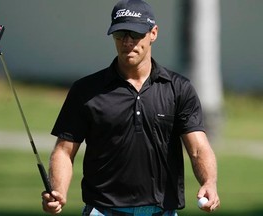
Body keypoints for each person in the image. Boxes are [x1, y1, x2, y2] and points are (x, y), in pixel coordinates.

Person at [41, 0, 220, 215]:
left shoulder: (178, 88)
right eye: (120, 34)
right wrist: (58, 191)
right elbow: (64, 150)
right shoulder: (86, 90)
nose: (127, 42)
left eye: (135, 34)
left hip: (160, 211)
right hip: (103, 210)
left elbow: (198, 148)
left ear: (153, 33)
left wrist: (209, 182)